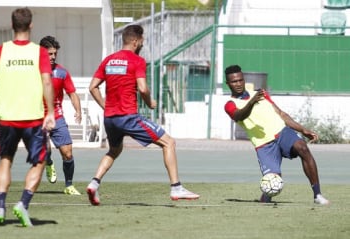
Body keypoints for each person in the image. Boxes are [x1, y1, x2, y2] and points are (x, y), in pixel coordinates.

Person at [86, 24, 199, 205]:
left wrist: (105, 107)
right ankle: (176, 187)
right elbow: (143, 88)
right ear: (136, 41)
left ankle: (94, 183)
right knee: (169, 142)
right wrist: (150, 102)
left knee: (114, 150)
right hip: (128, 116)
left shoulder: (108, 60)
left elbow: (92, 87)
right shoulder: (136, 61)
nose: (142, 44)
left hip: (110, 118)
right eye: (142, 41)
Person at [0, 7, 56, 227]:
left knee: (6, 160)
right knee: (40, 161)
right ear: (31, 25)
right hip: (33, 118)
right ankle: (23, 203)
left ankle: (0, 206)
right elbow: (46, 81)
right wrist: (51, 112)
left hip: (7, 118)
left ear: (12, 25)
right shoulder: (39, 52)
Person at [224, 64, 329, 205]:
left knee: (302, 148)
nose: (238, 84)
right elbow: (240, 116)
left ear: (244, 80)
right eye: (234, 81)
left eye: (240, 80)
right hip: (264, 145)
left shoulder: (261, 94)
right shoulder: (230, 104)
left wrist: (302, 129)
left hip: (282, 132)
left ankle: (317, 195)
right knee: (274, 181)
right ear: (228, 84)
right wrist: (251, 102)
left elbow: (281, 114)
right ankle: (265, 198)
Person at [39, 36, 82, 195]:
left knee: (68, 153)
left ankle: (69, 185)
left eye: (54, 54)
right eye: (49, 54)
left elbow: (72, 93)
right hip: (38, 117)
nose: (53, 57)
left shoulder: (62, 72)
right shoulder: (32, 72)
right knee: (46, 150)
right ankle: (49, 162)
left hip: (57, 116)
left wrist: (78, 110)